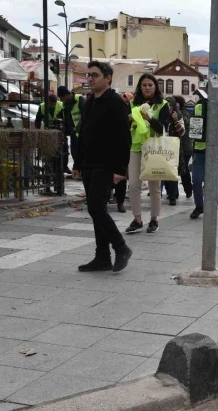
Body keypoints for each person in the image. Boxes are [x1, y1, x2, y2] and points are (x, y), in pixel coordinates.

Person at [72, 61, 132, 273]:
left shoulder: (115, 103)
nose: (90, 79)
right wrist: (77, 163)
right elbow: (84, 135)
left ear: (108, 78)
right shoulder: (89, 103)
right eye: (88, 75)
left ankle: (121, 247)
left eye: (94, 75)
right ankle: (102, 257)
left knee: (96, 208)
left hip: (106, 165)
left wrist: (119, 169)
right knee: (97, 211)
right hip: (89, 164)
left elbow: (124, 139)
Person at [125, 74, 171, 234]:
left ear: (155, 87)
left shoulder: (163, 105)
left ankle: (154, 219)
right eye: (144, 85)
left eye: (150, 85)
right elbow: (123, 125)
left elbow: (163, 128)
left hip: (154, 148)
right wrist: (129, 119)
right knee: (134, 186)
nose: (147, 88)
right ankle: (137, 219)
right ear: (140, 87)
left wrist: (149, 118)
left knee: (154, 186)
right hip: (136, 147)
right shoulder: (132, 103)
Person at [189, 89, 218, 219]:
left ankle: (212, 206)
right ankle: (199, 206)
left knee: (214, 180)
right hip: (200, 149)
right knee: (197, 179)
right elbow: (193, 128)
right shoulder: (198, 107)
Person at [167, 95, 193, 201]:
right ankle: (174, 193)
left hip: (185, 147)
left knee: (183, 170)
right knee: (174, 170)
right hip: (174, 146)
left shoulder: (183, 113)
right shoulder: (167, 115)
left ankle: (188, 189)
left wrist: (177, 118)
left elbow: (185, 125)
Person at [111, 92, 134, 213]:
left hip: (122, 146)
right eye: (123, 98)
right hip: (109, 145)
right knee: (107, 175)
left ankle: (120, 202)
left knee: (121, 177)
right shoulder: (113, 108)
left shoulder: (128, 110)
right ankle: (105, 199)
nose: (124, 100)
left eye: (126, 98)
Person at [57, 86, 86, 175]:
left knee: (82, 152)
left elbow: (85, 114)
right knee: (74, 151)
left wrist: (78, 127)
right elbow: (62, 115)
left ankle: (83, 171)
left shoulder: (79, 99)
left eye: (62, 98)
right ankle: (79, 170)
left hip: (82, 131)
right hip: (73, 133)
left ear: (66, 95)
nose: (61, 100)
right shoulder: (66, 104)